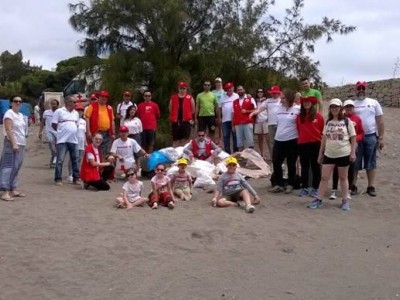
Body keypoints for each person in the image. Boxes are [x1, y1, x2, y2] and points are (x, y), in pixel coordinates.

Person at [307, 98, 356, 211]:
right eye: (332, 107)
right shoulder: (328, 122)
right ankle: (319, 199)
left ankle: (344, 200)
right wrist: (320, 154)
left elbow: (353, 138)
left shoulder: (346, 121)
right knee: (324, 177)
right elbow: (324, 139)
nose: (334, 109)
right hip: (329, 154)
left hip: (343, 153)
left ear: (340, 108)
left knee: (343, 178)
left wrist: (353, 152)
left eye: (336, 107)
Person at [353, 81, 384, 197]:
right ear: (355, 90)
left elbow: (380, 120)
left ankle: (371, 186)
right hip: (355, 137)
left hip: (371, 136)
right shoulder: (352, 104)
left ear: (365, 89)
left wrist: (380, 138)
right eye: (358, 88)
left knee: (371, 161)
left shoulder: (373, 103)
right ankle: (353, 185)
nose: (361, 90)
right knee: (355, 161)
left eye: (363, 88)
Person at [330, 99, 364, 199]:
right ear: (344, 108)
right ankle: (334, 190)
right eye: (347, 106)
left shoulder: (357, 119)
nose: (349, 108)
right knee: (336, 168)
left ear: (353, 108)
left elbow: (361, 132)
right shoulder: (341, 118)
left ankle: (348, 190)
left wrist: (355, 139)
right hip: (340, 146)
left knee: (351, 169)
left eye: (351, 106)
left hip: (352, 146)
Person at [267, 90, 300, 194]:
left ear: (289, 99)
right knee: (276, 161)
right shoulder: (279, 109)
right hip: (279, 139)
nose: (280, 100)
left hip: (292, 140)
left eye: (283, 98)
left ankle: (290, 184)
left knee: (291, 163)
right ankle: (279, 184)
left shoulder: (297, 110)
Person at [0, 95, 28, 201]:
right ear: (11, 103)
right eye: (15, 101)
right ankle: (4, 190)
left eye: (20, 101)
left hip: (21, 143)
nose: (18, 103)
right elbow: (8, 129)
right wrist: (14, 143)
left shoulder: (20, 115)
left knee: (16, 166)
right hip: (11, 143)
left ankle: (13, 188)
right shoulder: (9, 113)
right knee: (8, 166)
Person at [296, 96, 324, 197]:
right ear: (302, 104)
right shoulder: (299, 117)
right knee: (304, 166)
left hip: (315, 143)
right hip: (303, 143)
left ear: (312, 104)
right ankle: (304, 187)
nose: (306, 104)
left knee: (316, 166)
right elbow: (298, 128)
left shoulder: (318, 116)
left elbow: (321, 130)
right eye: (304, 102)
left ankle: (316, 188)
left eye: (308, 102)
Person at [52, 96, 80, 186]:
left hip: (74, 140)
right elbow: (54, 124)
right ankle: (58, 178)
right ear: (67, 102)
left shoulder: (76, 113)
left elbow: (77, 124)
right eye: (73, 102)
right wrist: (61, 132)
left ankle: (76, 178)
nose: (75, 104)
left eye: (75, 102)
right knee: (60, 160)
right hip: (62, 140)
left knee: (75, 160)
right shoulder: (59, 111)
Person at [250, 85, 282, 160]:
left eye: (275, 93)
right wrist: (253, 113)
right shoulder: (268, 101)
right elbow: (260, 109)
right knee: (272, 142)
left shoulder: (281, 100)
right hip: (271, 124)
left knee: (280, 142)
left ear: (278, 93)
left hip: (280, 124)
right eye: (272, 93)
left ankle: (281, 159)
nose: (274, 94)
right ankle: (274, 158)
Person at [85, 90, 115, 158]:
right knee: (95, 149)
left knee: (105, 151)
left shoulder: (109, 108)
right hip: (96, 132)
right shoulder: (92, 106)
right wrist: (88, 131)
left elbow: (112, 121)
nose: (104, 98)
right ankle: (95, 165)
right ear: (99, 97)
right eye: (102, 96)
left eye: (106, 97)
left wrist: (113, 133)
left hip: (107, 133)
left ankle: (102, 166)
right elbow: (87, 118)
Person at [169, 81, 195, 147]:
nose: (182, 90)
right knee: (176, 139)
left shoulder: (190, 97)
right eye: (181, 88)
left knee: (185, 139)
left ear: (186, 89)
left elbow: (193, 109)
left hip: (186, 121)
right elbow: (170, 108)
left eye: (184, 88)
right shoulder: (173, 97)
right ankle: (175, 154)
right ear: (178, 89)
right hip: (176, 121)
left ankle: (184, 154)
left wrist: (189, 117)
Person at [232, 85, 256, 150]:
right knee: (239, 143)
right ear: (236, 91)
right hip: (238, 124)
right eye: (238, 90)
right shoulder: (234, 102)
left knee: (250, 142)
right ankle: (242, 158)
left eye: (241, 89)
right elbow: (233, 114)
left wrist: (247, 111)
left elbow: (255, 110)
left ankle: (251, 158)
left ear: (244, 90)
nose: (240, 91)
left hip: (247, 122)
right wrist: (233, 125)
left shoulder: (250, 99)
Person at [67, 104, 87, 182]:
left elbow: (84, 133)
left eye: (81, 110)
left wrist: (86, 142)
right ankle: (70, 174)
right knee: (72, 158)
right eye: (78, 110)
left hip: (81, 142)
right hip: (73, 141)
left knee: (79, 159)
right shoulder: (72, 120)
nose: (80, 112)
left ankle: (76, 174)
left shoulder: (83, 121)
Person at [38, 98, 59, 168]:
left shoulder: (60, 112)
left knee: (57, 148)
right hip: (49, 132)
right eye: (52, 104)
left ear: (57, 105)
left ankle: (53, 161)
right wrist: (40, 132)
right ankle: (55, 158)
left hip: (58, 132)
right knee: (51, 144)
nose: (53, 105)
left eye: (55, 104)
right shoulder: (46, 112)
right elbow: (42, 122)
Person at [219, 82, 239, 153]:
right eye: (227, 88)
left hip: (235, 120)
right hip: (225, 120)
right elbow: (219, 108)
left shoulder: (237, 96)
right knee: (226, 137)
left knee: (235, 137)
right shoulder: (222, 97)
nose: (229, 89)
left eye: (230, 88)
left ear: (233, 88)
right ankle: (227, 153)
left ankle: (236, 153)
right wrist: (219, 118)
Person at [253, 88, 270, 159]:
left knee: (268, 139)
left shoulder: (266, 101)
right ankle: (262, 155)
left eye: (261, 92)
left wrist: (268, 118)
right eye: (258, 92)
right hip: (258, 121)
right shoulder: (254, 101)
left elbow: (269, 110)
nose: (260, 93)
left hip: (265, 120)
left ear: (263, 93)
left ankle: (271, 154)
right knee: (260, 139)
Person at [212, 77, 225, 143]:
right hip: (214, 110)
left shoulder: (224, 92)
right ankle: (214, 139)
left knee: (220, 125)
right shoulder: (212, 92)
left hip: (221, 110)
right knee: (213, 125)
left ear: (221, 83)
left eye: (219, 82)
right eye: (216, 82)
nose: (218, 84)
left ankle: (220, 139)